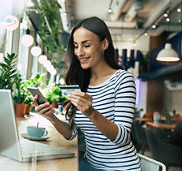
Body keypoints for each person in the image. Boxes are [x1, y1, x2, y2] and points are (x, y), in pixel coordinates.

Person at [34, 16, 141, 170]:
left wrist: (91, 112)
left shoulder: (123, 79)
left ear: (104, 44)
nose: (79, 52)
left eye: (86, 45)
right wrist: (50, 116)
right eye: (76, 46)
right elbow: (71, 134)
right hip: (91, 165)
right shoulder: (82, 82)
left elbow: (122, 138)